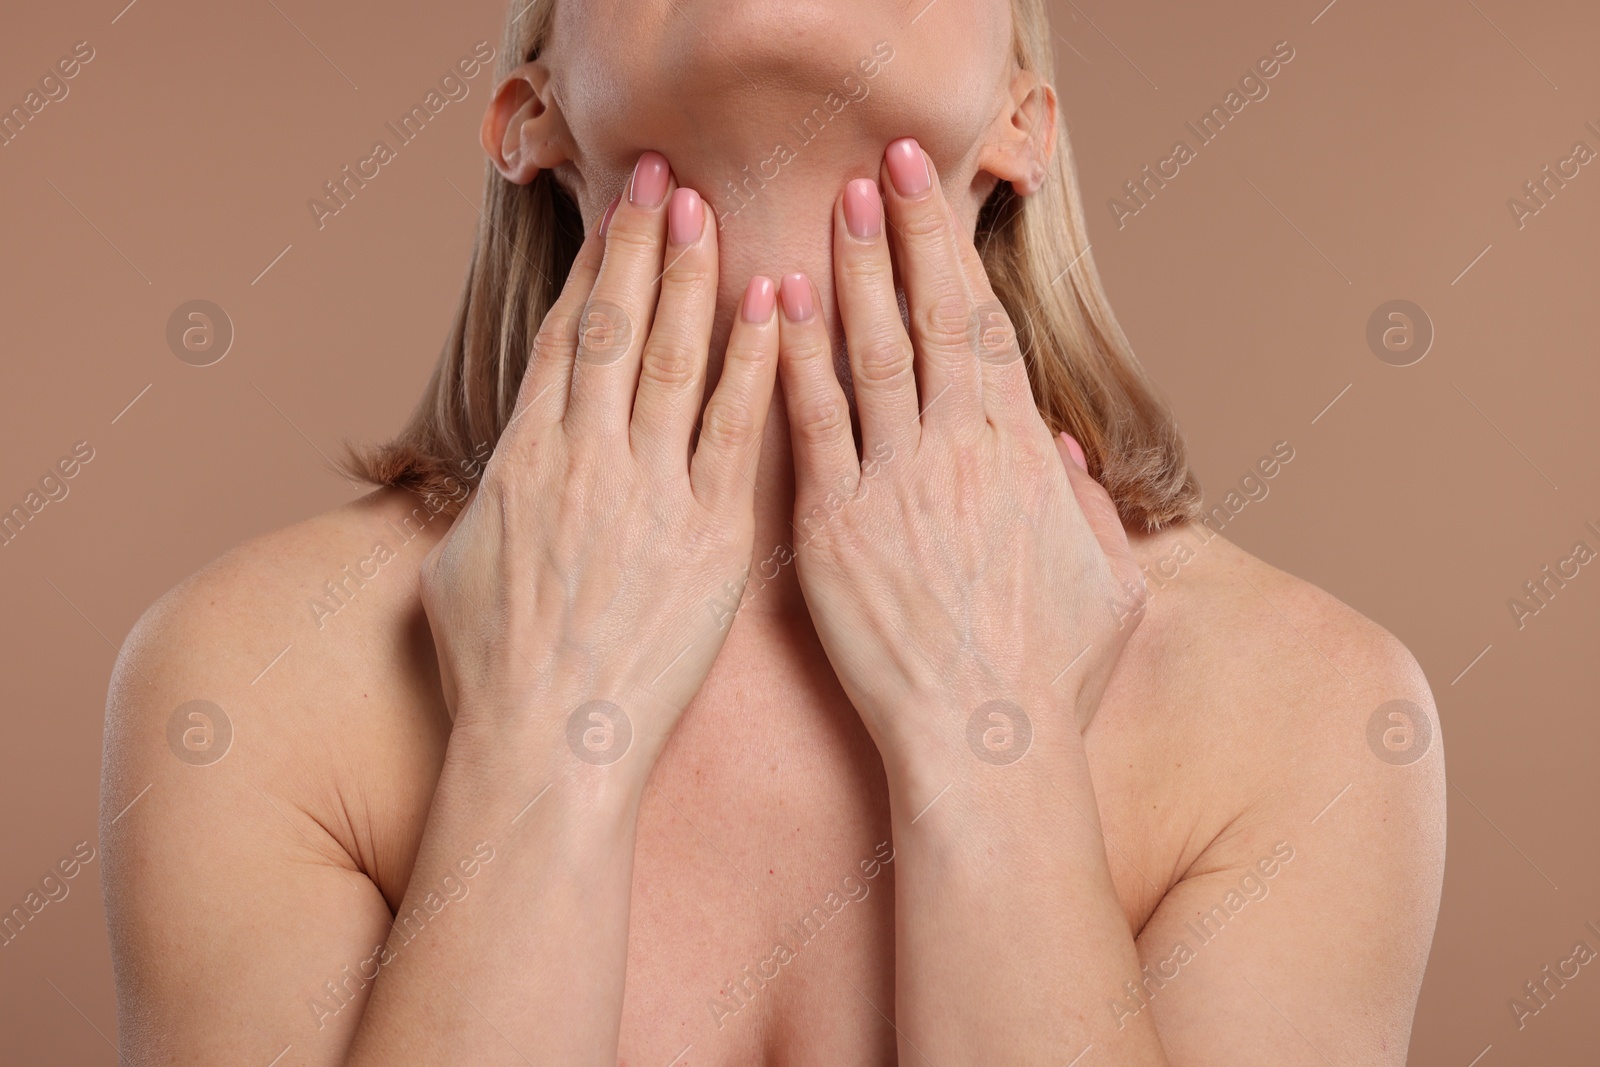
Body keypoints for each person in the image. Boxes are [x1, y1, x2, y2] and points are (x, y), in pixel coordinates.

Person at [101, 1, 1445, 1063]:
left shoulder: (1315, 713)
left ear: (1027, 123)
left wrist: (994, 749)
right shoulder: (246, 675)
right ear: (528, 115)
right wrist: (544, 736)